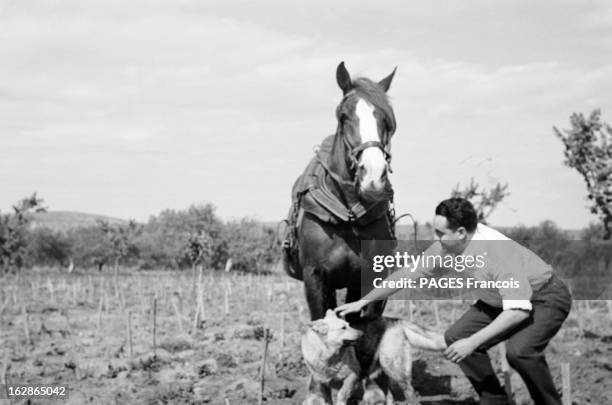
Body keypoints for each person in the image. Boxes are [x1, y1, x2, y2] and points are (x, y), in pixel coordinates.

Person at [335, 198, 572, 405]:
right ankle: (495, 402)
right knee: (455, 337)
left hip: (544, 297)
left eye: (440, 233)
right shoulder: (445, 247)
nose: (435, 238)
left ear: (461, 232)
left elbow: (518, 312)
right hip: (497, 299)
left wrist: (473, 342)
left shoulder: (498, 254)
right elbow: (409, 273)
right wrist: (363, 301)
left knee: (519, 352)